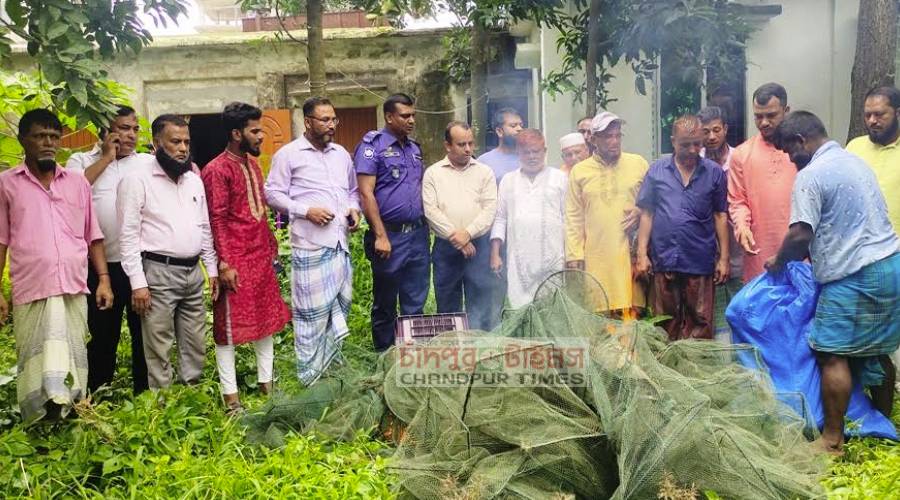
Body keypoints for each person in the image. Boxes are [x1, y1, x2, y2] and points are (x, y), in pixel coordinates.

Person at [767, 111, 900, 454]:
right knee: (878, 351)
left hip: (855, 274)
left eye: (789, 151)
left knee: (831, 353)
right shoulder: (855, 162)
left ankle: (832, 440)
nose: (789, 159)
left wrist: (779, 261)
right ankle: (879, 422)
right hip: (890, 265)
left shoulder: (811, 175)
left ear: (802, 141)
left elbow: (800, 234)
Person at [0, 109, 112, 423]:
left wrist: (103, 279)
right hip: (32, 287)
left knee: (73, 353)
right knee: (35, 356)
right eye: (40, 136)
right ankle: (38, 421)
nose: (48, 143)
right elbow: (1, 241)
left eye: (53, 136)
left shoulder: (77, 183)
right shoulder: (7, 184)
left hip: (73, 286)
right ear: (24, 140)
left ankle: (73, 415)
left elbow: (94, 236)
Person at [117, 114, 219, 390]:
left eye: (186, 141)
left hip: (192, 273)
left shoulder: (193, 181)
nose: (183, 148)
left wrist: (211, 270)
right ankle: (161, 407)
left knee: (195, 342)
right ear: (156, 143)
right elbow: (127, 236)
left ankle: (191, 397)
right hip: (157, 273)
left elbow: (204, 227)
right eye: (175, 141)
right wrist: (138, 284)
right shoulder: (137, 180)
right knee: (158, 345)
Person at [266, 96, 360, 385]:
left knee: (338, 312)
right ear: (308, 122)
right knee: (310, 319)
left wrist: (354, 210)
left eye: (334, 119)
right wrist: (306, 211)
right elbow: (272, 194)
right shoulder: (289, 154)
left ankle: (333, 376)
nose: (332, 124)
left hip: (339, 247)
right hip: (309, 248)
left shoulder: (341, 154)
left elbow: (353, 191)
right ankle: (310, 380)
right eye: (325, 120)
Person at [204, 102, 290, 411]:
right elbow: (217, 219)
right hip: (235, 260)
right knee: (228, 329)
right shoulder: (216, 170)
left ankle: (268, 387)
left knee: (265, 322)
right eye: (255, 131)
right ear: (236, 133)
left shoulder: (253, 165)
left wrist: (271, 246)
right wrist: (224, 263)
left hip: (260, 255)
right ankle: (231, 399)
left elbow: (261, 213)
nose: (260, 137)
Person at [66, 105, 151, 395]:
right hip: (99, 266)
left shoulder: (146, 164)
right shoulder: (79, 160)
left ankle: (145, 394)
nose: (131, 135)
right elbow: (71, 193)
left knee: (144, 333)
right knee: (102, 332)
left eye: (135, 129)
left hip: (139, 264)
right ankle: (98, 392)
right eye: (123, 128)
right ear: (106, 129)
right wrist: (106, 157)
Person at [635, 115, 730, 340]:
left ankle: (696, 370)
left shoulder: (714, 172)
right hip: (664, 258)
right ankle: (666, 371)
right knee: (664, 321)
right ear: (673, 141)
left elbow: (720, 215)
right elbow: (647, 214)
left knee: (701, 322)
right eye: (685, 144)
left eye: (697, 143)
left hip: (700, 260)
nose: (693, 150)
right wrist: (641, 254)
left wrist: (724, 259)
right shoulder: (656, 171)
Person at [354, 93, 429, 351]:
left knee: (415, 300)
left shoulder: (414, 148)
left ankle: (412, 357)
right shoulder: (372, 147)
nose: (411, 120)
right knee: (386, 303)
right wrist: (380, 236)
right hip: (389, 236)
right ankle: (385, 359)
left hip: (418, 235)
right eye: (405, 116)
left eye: (413, 115)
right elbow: (366, 193)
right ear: (389, 116)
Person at [565, 110, 649, 314]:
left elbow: (654, 204)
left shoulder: (638, 164)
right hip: (597, 258)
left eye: (617, 135)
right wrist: (574, 255)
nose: (614, 141)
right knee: (600, 313)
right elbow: (573, 217)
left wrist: (639, 211)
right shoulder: (580, 171)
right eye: (607, 136)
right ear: (593, 139)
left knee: (632, 315)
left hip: (631, 257)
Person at [424, 122, 498, 330]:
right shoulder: (433, 173)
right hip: (446, 248)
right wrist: (457, 238)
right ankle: (451, 353)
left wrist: (468, 233)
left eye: (471, 143)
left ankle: (482, 353)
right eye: (461, 144)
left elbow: (489, 209)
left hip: (479, 246)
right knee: (447, 304)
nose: (468, 149)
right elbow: (431, 211)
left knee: (481, 301)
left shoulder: (485, 172)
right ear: (447, 146)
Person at [728, 82, 796, 283]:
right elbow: (737, 201)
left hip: (800, 252)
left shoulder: (801, 149)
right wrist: (742, 227)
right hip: (758, 253)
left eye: (771, 115)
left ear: (786, 111)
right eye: (758, 116)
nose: (764, 122)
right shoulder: (742, 154)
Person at [490, 129, 567, 308]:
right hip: (519, 260)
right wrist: (495, 254)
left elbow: (568, 219)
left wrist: (571, 255)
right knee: (522, 311)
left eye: (536, 151)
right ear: (519, 153)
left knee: (551, 310)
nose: (532, 156)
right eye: (527, 152)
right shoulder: (508, 180)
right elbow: (500, 218)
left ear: (545, 151)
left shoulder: (560, 179)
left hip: (553, 258)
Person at [698, 105, 743, 338]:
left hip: (740, 248)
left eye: (716, 130)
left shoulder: (740, 159)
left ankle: (746, 364)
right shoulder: (695, 164)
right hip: (708, 250)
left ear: (725, 129)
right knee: (715, 316)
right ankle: (722, 364)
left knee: (742, 308)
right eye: (706, 132)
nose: (712, 137)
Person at [846, 86, 900, 234]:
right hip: (859, 247)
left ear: (898, 113)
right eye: (867, 115)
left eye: (879, 114)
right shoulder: (854, 147)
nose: (872, 121)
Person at [478, 108, 524, 183]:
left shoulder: (529, 157)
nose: (519, 129)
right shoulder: (484, 161)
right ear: (499, 131)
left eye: (521, 125)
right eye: (513, 126)